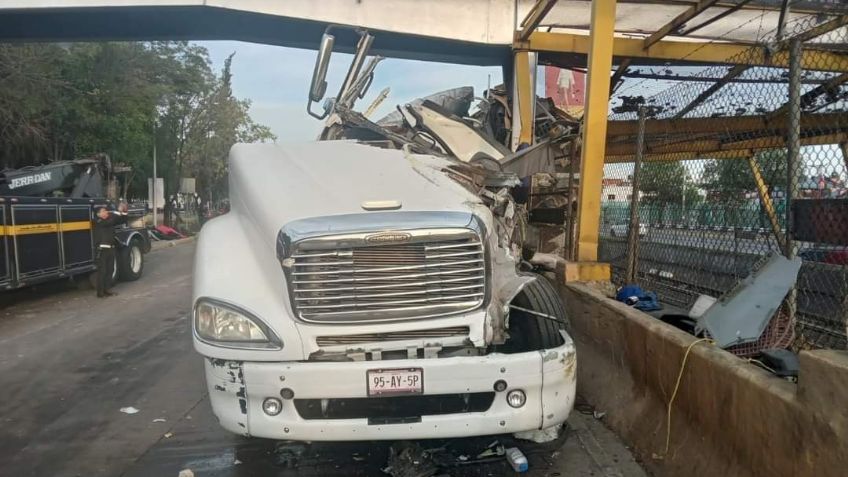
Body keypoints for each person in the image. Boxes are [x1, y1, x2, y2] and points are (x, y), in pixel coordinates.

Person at [93, 203, 128, 298]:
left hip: (111, 249)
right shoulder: (97, 221)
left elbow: (122, 220)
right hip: (102, 250)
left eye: (106, 210)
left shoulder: (109, 220)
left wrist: (124, 211)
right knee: (102, 271)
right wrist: (118, 210)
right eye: (103, 211)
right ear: (98, 214)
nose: (106, 212)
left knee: (110, 270)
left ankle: (107, 290)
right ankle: (100, 293)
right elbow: (110, 221)